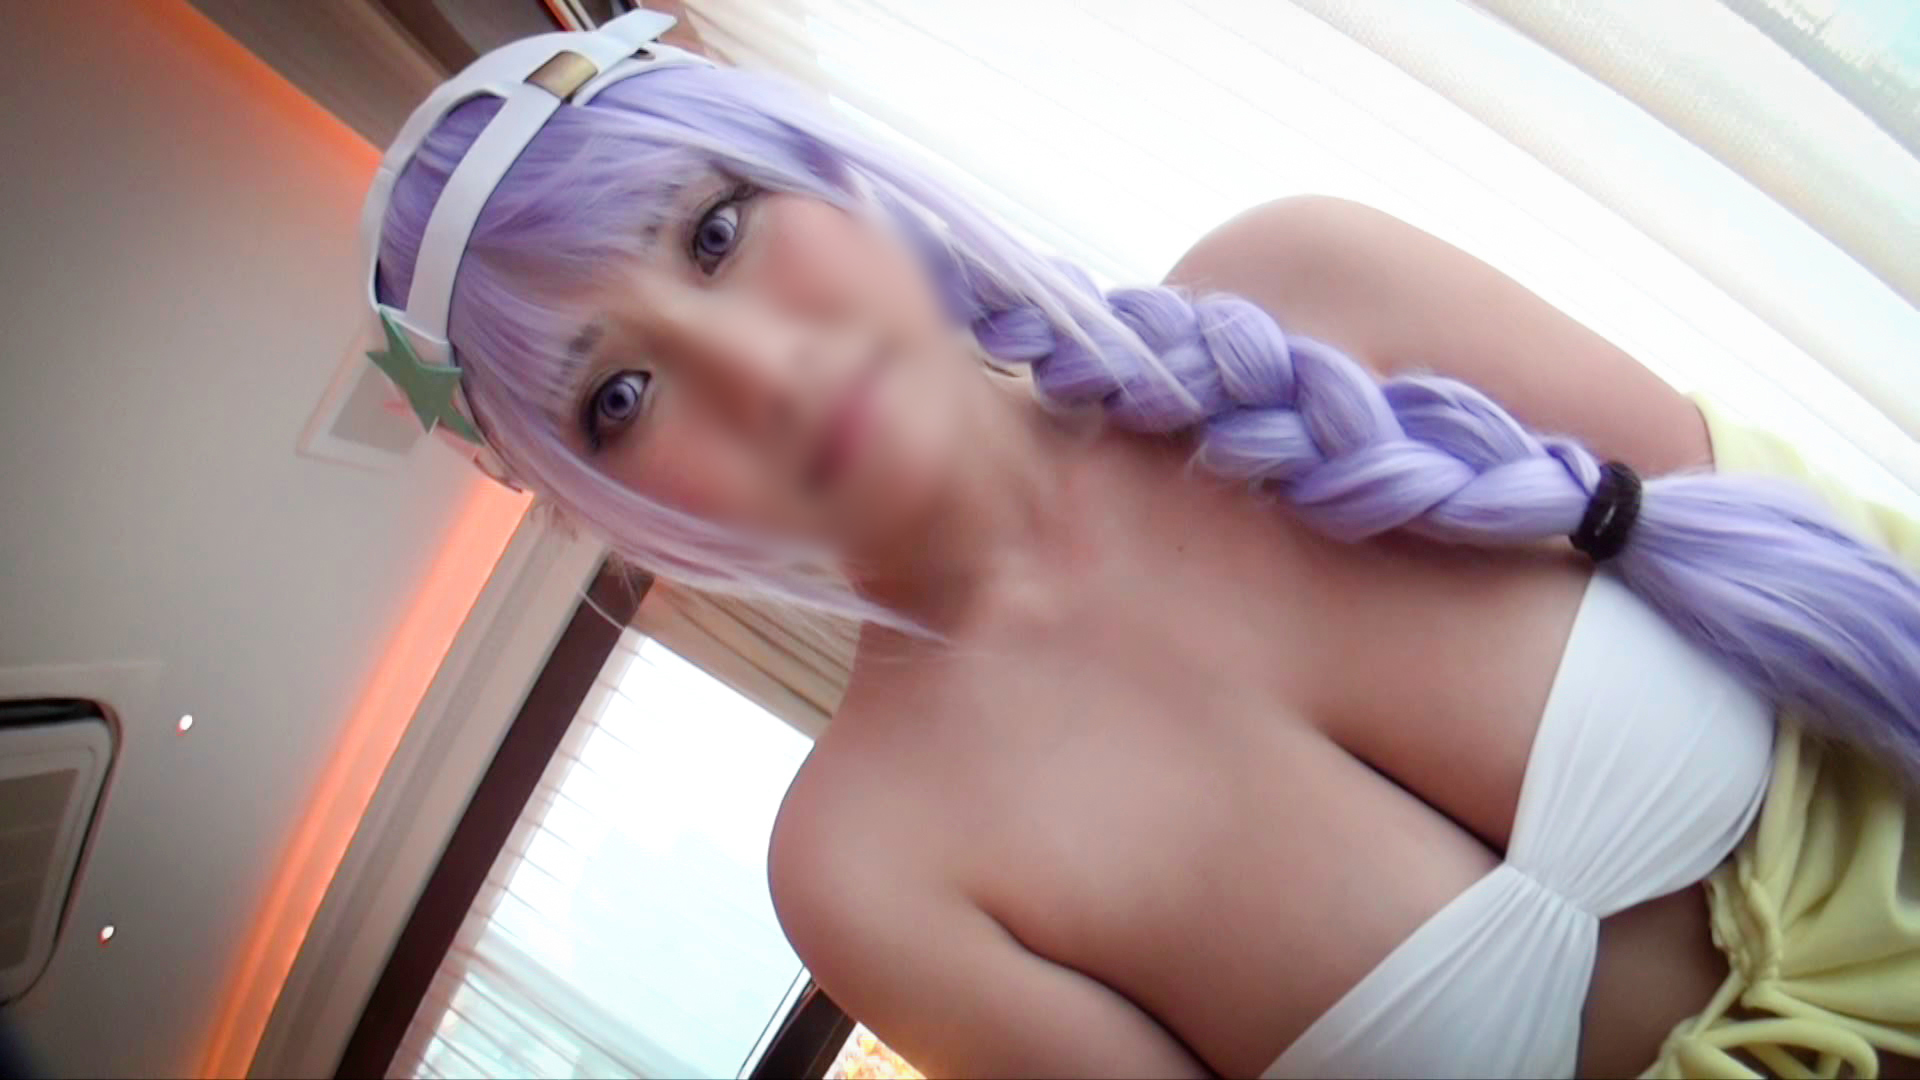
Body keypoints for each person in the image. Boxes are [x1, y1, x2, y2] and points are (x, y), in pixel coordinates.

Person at [361, 12, 1920, 1077]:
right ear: (597, 503)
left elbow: (1831, 564)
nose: (756, 371)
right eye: (621, 397)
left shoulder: (1309, 283)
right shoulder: (865, 866)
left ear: (820, 168)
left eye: (715, 231)